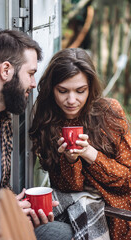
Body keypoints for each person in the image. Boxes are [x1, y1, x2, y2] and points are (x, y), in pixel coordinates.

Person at [29, 48, 131, 240]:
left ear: (90, 88)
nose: (71, 100)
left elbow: (128, 181)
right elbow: (69, 190)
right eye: (62, 91)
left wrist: (91, 154)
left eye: (80, 91)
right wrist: (70, 159)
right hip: (80, 216)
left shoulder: (109, 114)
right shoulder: (48, 123)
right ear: (52, 89)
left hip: (120, 215)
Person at [0, 29, 73, 240]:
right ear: (6, 70)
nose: (33, 84)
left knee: (61, 231)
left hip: (1, 224)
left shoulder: (4, 120)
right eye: (30, 74)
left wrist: (22, 206)